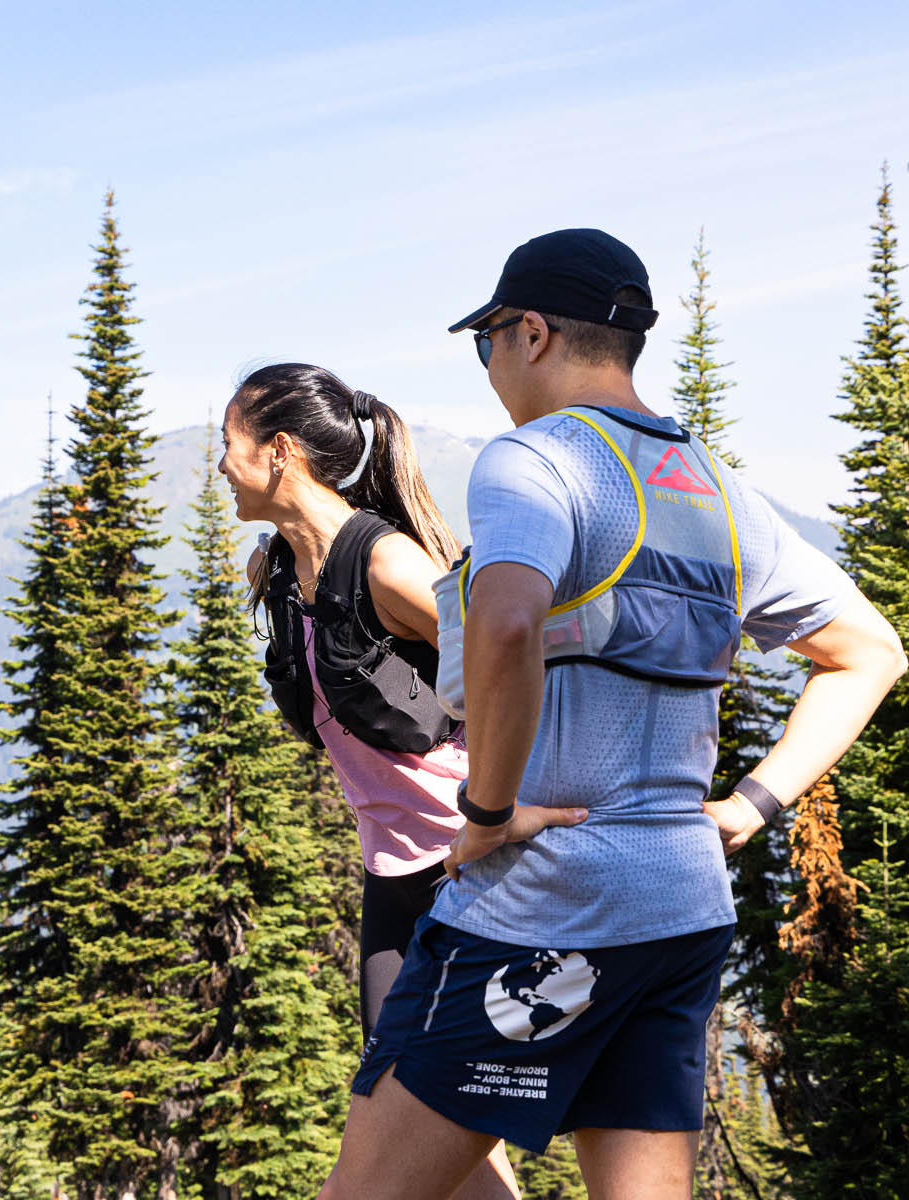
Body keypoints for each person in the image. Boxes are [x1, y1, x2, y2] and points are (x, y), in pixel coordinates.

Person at [323, 229, 906, 1199]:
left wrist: (484, 814)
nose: (489, 367)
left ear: (534, 333)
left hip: (537, 910)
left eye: (487, 342)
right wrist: (748, 808)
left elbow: (506, 624)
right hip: (677, 914)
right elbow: (870, 651)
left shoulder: (532, 461)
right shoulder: (718, 494)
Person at [221, 363, 574, 1199]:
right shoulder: (275, 574)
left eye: (227, 445)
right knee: (422, 1119)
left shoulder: (385, 565)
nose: (220, 466)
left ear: (278, 453)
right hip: (395, 885)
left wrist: (513, 809)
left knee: (391, 1135)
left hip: (478, 867)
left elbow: (520, 659)